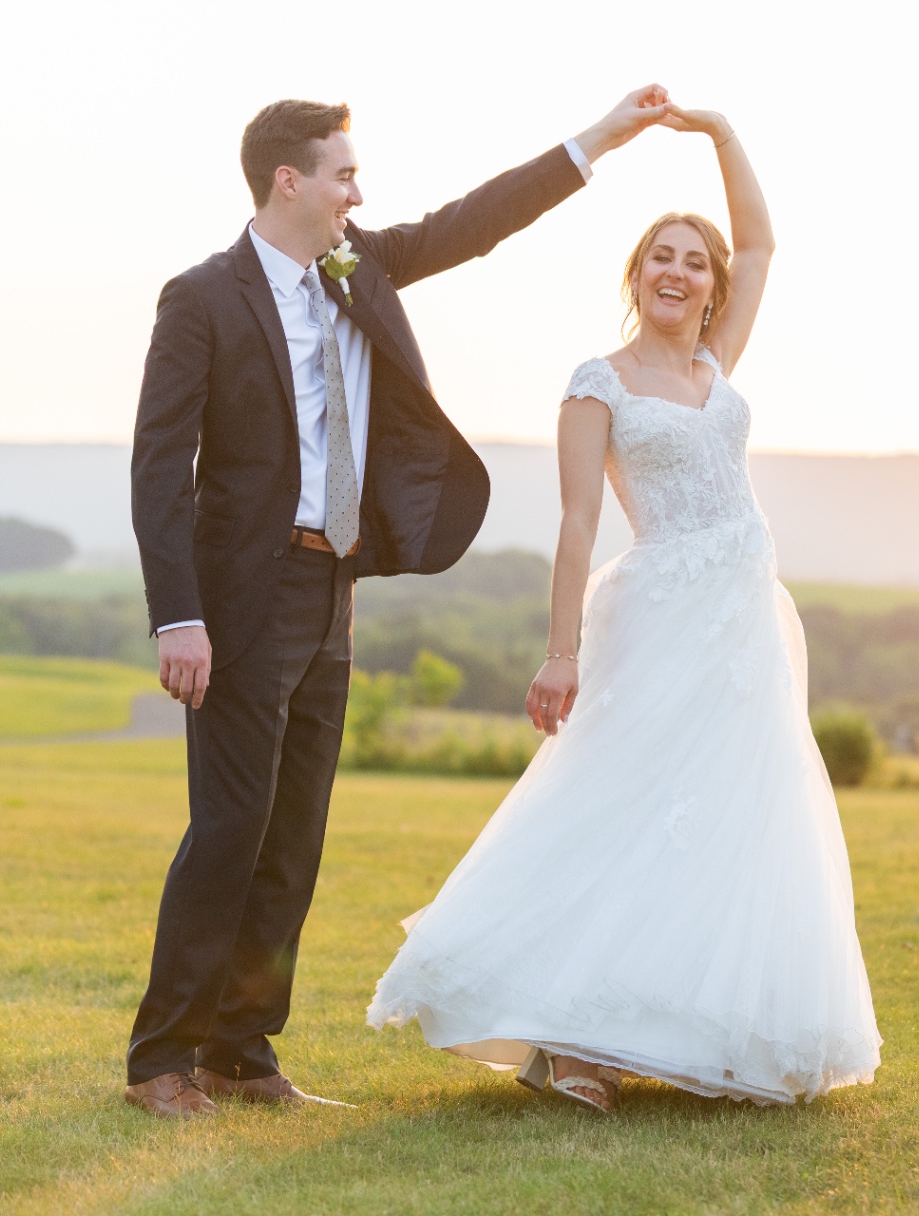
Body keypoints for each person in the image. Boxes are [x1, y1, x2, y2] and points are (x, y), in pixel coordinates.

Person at [124, 86, 673, 1119]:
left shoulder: (358, 268)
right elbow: (161, 467)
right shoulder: (200, 297)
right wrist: (178, 613)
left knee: (293, 838)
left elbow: (475, 221)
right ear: (290, 181)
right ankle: (160, 1058)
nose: (357, 192)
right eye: (343, 174)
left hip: (333, 583)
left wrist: (598, 139)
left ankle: (243, 1053)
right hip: (240, 595)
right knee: (230, 827)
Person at [369, 103, 882, 1112]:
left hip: (742, 624)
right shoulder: (595, 384)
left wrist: (720, 132)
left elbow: (766, 239)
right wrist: (559, 654)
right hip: (657, 618)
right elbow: (575, 523)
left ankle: (710, 1027)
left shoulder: (712, 365)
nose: (679, 271)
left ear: (711, 287)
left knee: (733, 822)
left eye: (695, 260)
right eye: (661, 256)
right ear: (636, 277)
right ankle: (569, 1042)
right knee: (623, 809)